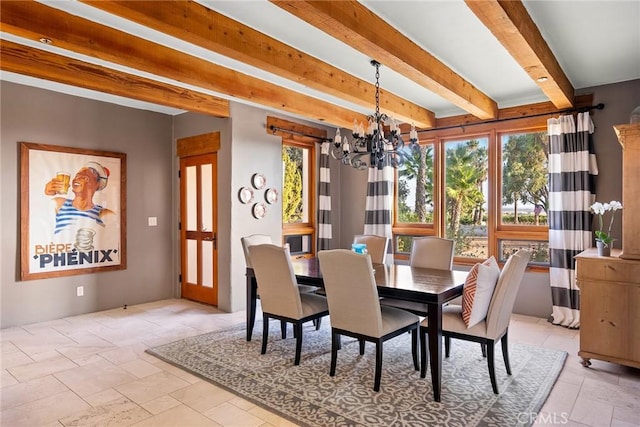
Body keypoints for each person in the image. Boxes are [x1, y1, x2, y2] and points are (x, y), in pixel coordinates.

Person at [44, 161, 114, 234]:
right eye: (77, 176)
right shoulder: (59, 203)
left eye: (85, 177)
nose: (77, 179)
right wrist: (47, 193)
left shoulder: (103, 213)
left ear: (97, 185)